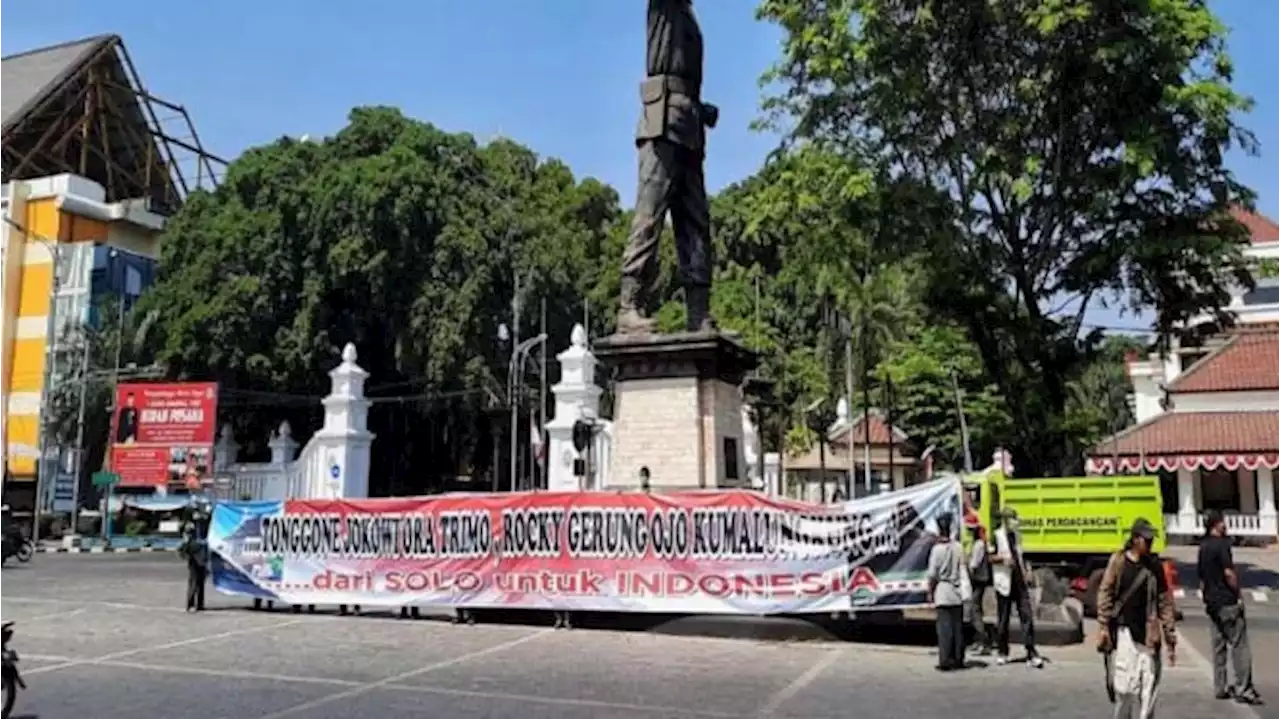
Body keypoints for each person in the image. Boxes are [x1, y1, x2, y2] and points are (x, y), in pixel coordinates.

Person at [616, 0, 721, 333]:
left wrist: (701, 109)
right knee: (650, 215)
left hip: (688, 125)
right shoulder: (665, 7)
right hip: (661, 124)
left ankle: (698, 310)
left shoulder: (690, 17)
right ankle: (629, 305)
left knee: (695, 222)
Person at [1097, 518, 1178, 718]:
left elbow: (1164, 602)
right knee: (1124, 688)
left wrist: (1170, 638)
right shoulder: (1118, 562)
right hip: (1124, 633)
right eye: (1146, 539)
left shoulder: (1154, 567)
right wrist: (1103, 626)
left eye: (1151, 540)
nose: (1149, 544)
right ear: (1135, 540)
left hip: (1149, 636)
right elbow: (1105, 592)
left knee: (1148, 689)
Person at [1198, 509, 1262, 705]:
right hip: (1227, 601)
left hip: (1212, 602)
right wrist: (1238, 594)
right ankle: (1244, 688)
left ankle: (1220, 686)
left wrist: (1207, 597)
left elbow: (1201, 578)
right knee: (1239, 646)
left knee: (1218, 647)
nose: (1225, 525)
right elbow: (1229, 573)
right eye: (1223, 522)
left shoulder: (1204, 546)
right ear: (1217, 524)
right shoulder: (1222, 546)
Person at [992, 507, 1044, 668]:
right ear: (1006, 520)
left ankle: (1031, 652)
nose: (1015, 523)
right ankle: (1002, 651)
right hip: (1004, 581)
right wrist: (1003, 560)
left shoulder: (1018, 535)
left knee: (1027, 616)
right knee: (1003, 620)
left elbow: (1022, 556)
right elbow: (989, 557)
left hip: (1019, 581)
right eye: (1012, 519)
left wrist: (1027, 571)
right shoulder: (996, 536)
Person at [927, 512, 968, 671]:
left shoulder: (936, 550)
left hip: (943, 591)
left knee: (945, 629)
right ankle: (958, 658)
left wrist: (930, 592)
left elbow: (932, 574)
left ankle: (945, 660)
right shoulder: (958, 547)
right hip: (957, 591)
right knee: (958, 628)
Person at [967, 524, 995, 655]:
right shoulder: (984, 544)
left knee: (974, 609)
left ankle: (983, 641)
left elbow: (974, 564)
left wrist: (969, 575)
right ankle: (979, 640)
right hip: (983, 579)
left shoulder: (978, 545)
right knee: (976, 608)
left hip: (977, 580)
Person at [179, 511, 209, 612]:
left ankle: (200, 604)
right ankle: (190, 604)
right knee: (194, 582)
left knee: (200, 583)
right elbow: (185, 545)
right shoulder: (190, 529)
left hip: (202, 557)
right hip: (195, 559)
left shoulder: (204, 530)